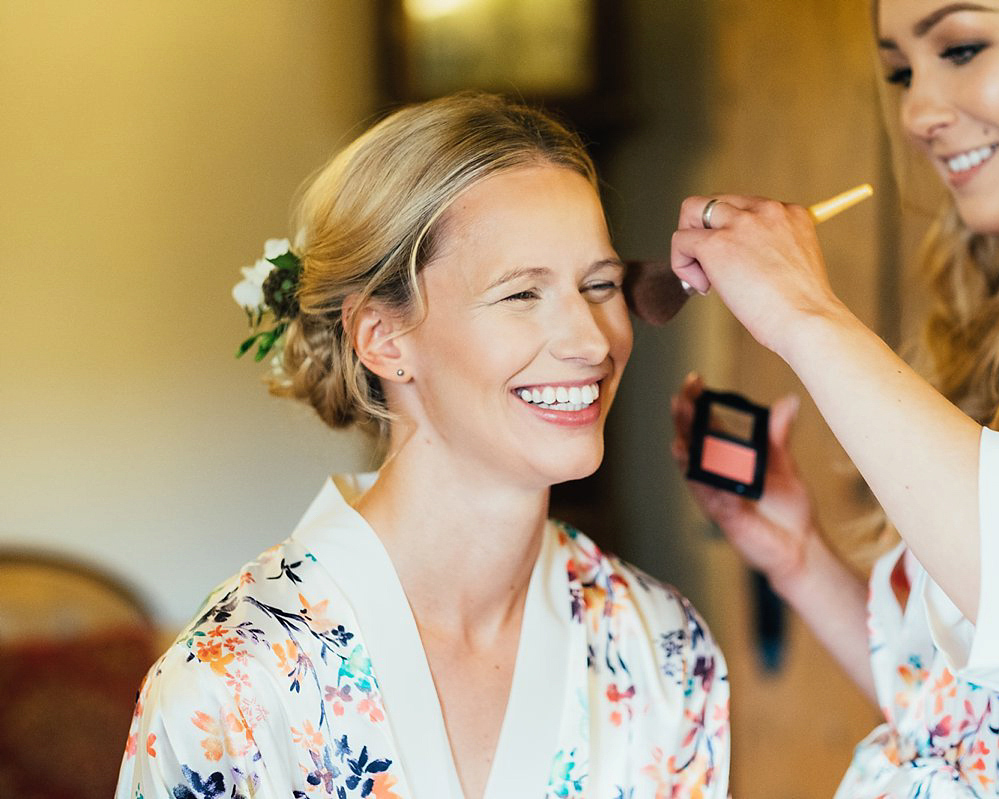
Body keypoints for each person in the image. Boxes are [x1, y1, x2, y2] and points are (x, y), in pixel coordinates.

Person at [118, 93, 730, 799]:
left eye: (600, 285)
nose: (593, 340)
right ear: (383, 337)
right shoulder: (230, 687)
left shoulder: (664, 649)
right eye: (521, 294)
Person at [669, 0, 999, 796]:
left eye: (960, 47)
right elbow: (964, 720)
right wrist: (799, 555)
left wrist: (805, 316)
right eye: (901, 70)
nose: (915, 111)